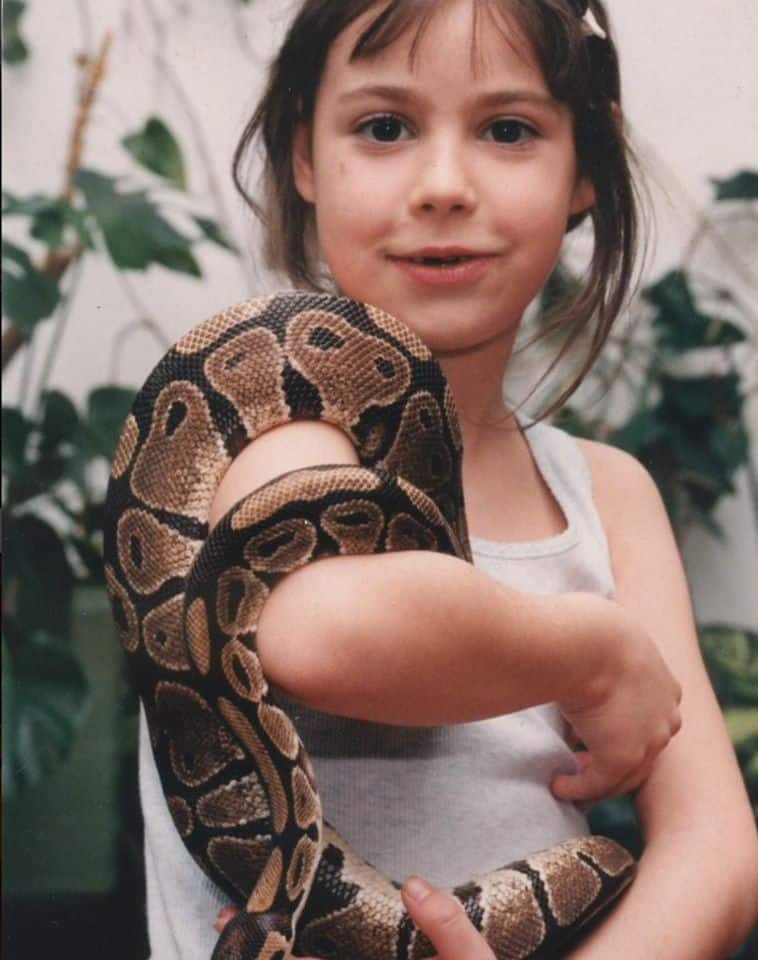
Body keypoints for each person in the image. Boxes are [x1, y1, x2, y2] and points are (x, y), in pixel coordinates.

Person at [138, 1, 758, 957]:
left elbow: (713, 848)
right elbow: (328, 631)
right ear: (305, 155)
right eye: (384, 127)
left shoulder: (608, 494)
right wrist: (595, 653)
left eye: (507, 130)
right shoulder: (273, 441)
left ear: (586, 164)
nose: (442, 185)